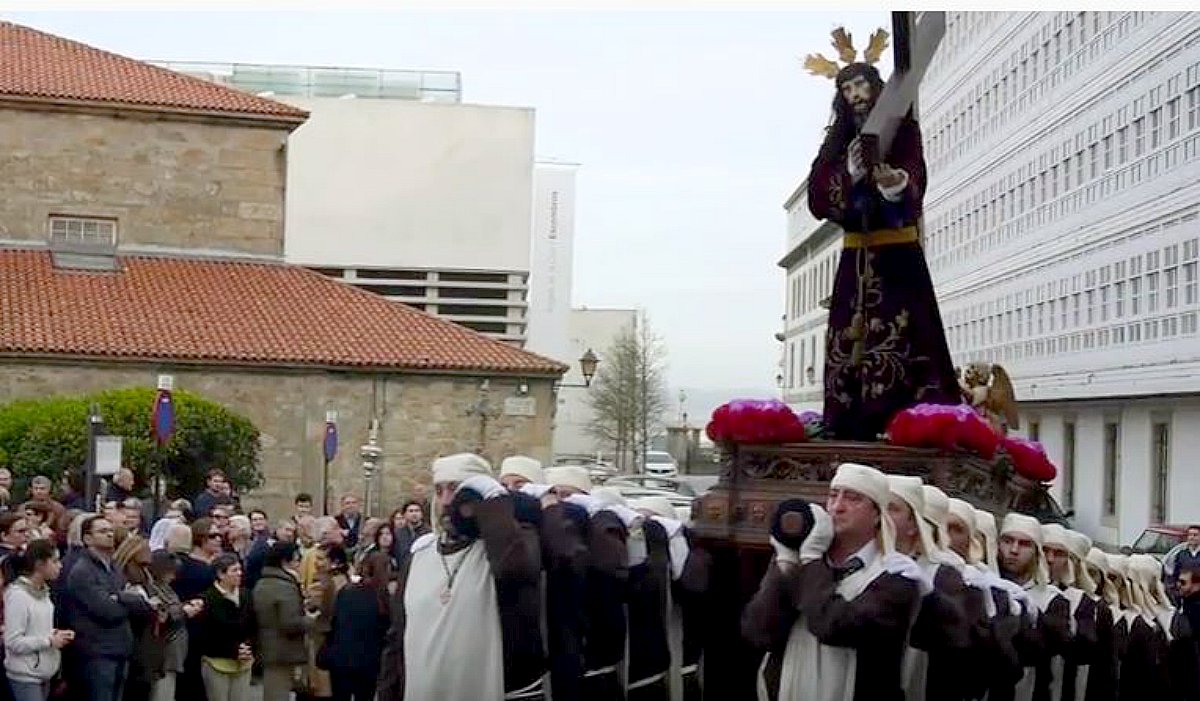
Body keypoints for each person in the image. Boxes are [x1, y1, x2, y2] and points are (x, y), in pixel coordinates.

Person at [803, 27, 959, 441]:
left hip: (898, 257)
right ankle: (848, 422)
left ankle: (907, 421)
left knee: (908, 335)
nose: (856, 95)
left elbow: (915, 179)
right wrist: (850, 173)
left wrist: (893, 181)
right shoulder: (836, 144)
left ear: (876, 88)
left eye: (861, 85)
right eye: (848, 88)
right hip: (855, 257)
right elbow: (818, 196)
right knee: (848, 345)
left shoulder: (904, 132)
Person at [742, 462, 927, 700]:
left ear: (877, 515)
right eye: (832, 496)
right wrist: (786, 565)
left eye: (853, 499)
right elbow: (757, 632)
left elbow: (834, 626)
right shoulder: (805, 560)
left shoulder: (896, 574)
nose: (837, 507)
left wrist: (810, 561)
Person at [390, 453, 542, 701]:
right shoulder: (419, 555)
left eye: (457, 489)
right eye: (439, 491)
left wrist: (494, 501)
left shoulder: (501, 549)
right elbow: (397, 638)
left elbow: (516, 570)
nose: (447, 501)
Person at [61, 516, 153, 701]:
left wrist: (119, 597)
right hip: (97, 652)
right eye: (102, 531)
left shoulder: (113, 567)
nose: (110, 534)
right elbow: (108, 611)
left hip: (121, 648)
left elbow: (143, 605)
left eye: (110, 530)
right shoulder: (83, 571)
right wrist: (127, 600)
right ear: (87, 539)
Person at [996, 514, 1072, 701]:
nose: (1013, 550)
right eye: (1007, 541)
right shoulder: (984, 585)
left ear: (1037, 552)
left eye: (1024, 544)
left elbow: (1042, 649)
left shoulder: (1052, 600)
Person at [3, 539, 73, 701]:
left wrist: (56, 635)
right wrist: (49, 641)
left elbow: (36, 629)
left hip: (44, 672)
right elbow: (13, 641)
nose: (60, 566)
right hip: (25, 675)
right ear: (40, 565)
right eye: (55, 561)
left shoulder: (45, 593)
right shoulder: (18, 596)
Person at [253, 541, 317, 701]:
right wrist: (311, 620)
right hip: (282, 652)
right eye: (296, 560)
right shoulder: (284, 586)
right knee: (278, 694)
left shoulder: (263, 582)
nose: (298, 564)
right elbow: (290, 623)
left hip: (268, 649)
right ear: (284, 561)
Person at [325, 553, 391, 701]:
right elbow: (385, 632)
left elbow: (334, 623)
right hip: (368, 664)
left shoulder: (347, 591)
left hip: (341, 660)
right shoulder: (382, 599)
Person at [196, 554, 255, 701]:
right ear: (221, 574)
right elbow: (208, 634)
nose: (240, 573)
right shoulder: (207, 598)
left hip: (244, 661)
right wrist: (234, 650)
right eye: (234, 570)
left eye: (240, 569)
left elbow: (254, 626)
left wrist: (248, 647)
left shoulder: (246, 595)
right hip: (217, 662)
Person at [1164, 525, 1200, 602]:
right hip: (1186, 596)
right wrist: (1176, 590)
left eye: (1195, 535)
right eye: (1190, 535)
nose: (1192, 537)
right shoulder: (1181, 554)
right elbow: (1175, 574)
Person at [390, 502, 429, 570]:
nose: (414, 514)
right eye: (411, 511)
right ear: (405, 515)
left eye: (417, 511)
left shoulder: (429, 534)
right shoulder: (397, 534)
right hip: (402, 573)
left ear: (422, 514)